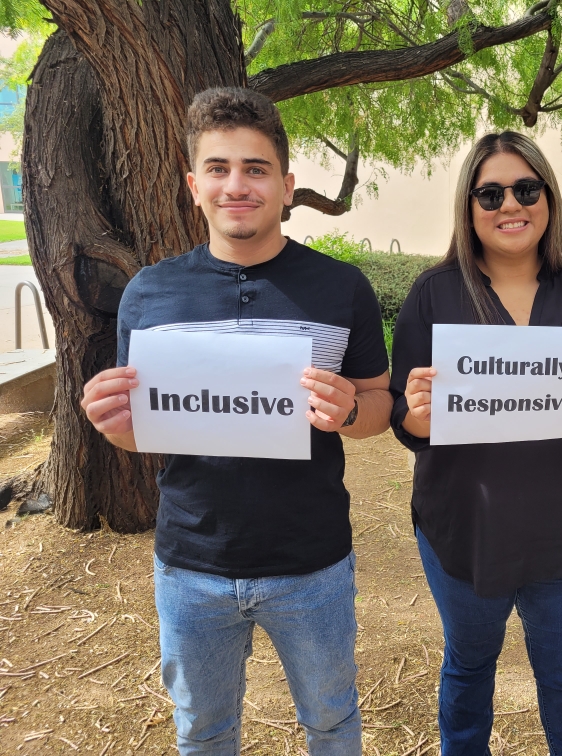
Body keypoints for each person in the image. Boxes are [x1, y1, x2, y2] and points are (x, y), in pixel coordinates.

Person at [79, 87, 392, 756]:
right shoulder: (149, 293)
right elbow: (145, 429)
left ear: (286, 185)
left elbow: (379, 407)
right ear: (195, 186)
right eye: (218, 169)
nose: (237, 185)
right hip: (192, 565)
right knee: (202, 731)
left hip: (312, 564)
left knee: (332, 725)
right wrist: (112, 424)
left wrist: (351, 411)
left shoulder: (342, 287)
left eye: (255, 168)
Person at [390, 131, 562, 755]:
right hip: (465, 532)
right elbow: (404, 419)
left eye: (526, 188)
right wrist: (419, 415)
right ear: (469, 206)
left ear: (548, 199)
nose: (511, 204)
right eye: (491, 192)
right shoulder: (434, 293)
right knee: (468, 670)